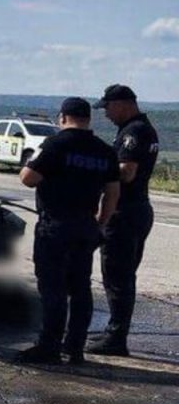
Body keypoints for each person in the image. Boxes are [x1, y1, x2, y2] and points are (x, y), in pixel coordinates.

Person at [17, 98, 120, 365]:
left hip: (56, 225)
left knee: (53, 288)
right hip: (86, 225)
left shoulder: (55, 145)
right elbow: (112, 194)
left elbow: (28, 178)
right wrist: (100, 223)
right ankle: (74, 347)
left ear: (62, 117)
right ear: (88, 119)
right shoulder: (104, 151)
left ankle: (49, 346)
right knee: (80, 288)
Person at [88, 84, 159, 357]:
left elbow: (127, 172)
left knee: (118, 277)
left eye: (108, 107)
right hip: (136, 209)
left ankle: (116, 338)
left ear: (123, 103)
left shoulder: (135, 131)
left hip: (126, 212)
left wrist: (97, 168)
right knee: (121, 275)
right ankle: (115, 332)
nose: (106, 114)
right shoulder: (141, 128)